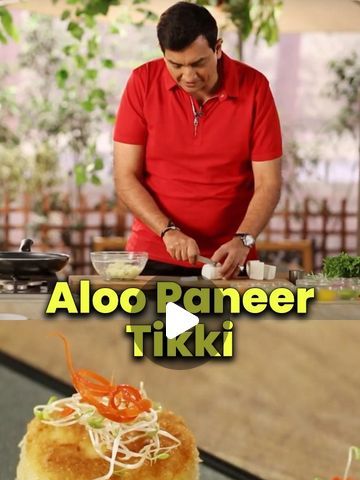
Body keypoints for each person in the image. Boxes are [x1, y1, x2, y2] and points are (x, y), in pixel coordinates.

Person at [113, 1, 282, 278]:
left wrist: (244, 239)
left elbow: (269, 183)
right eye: (176, 65)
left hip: (228, 259)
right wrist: (168, 231)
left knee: (219, 325)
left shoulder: (255, 88)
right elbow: (125, 177)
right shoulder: (141, 83)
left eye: (198, 63)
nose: (188, 76)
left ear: (217, 48)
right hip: (154, 253)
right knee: (149, 324)